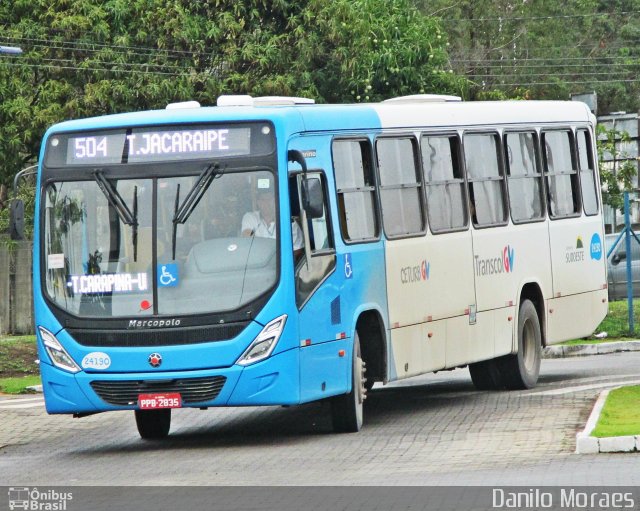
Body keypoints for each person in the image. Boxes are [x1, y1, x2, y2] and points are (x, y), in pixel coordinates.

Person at [241, 186, 304, 257]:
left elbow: (296, 250)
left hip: (281, 264)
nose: (266, 203)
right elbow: (247, 237)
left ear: (276, 201)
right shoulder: (251, 217)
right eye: (262, 200)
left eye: (269, 199)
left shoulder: (289, 222)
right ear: (258, 202)